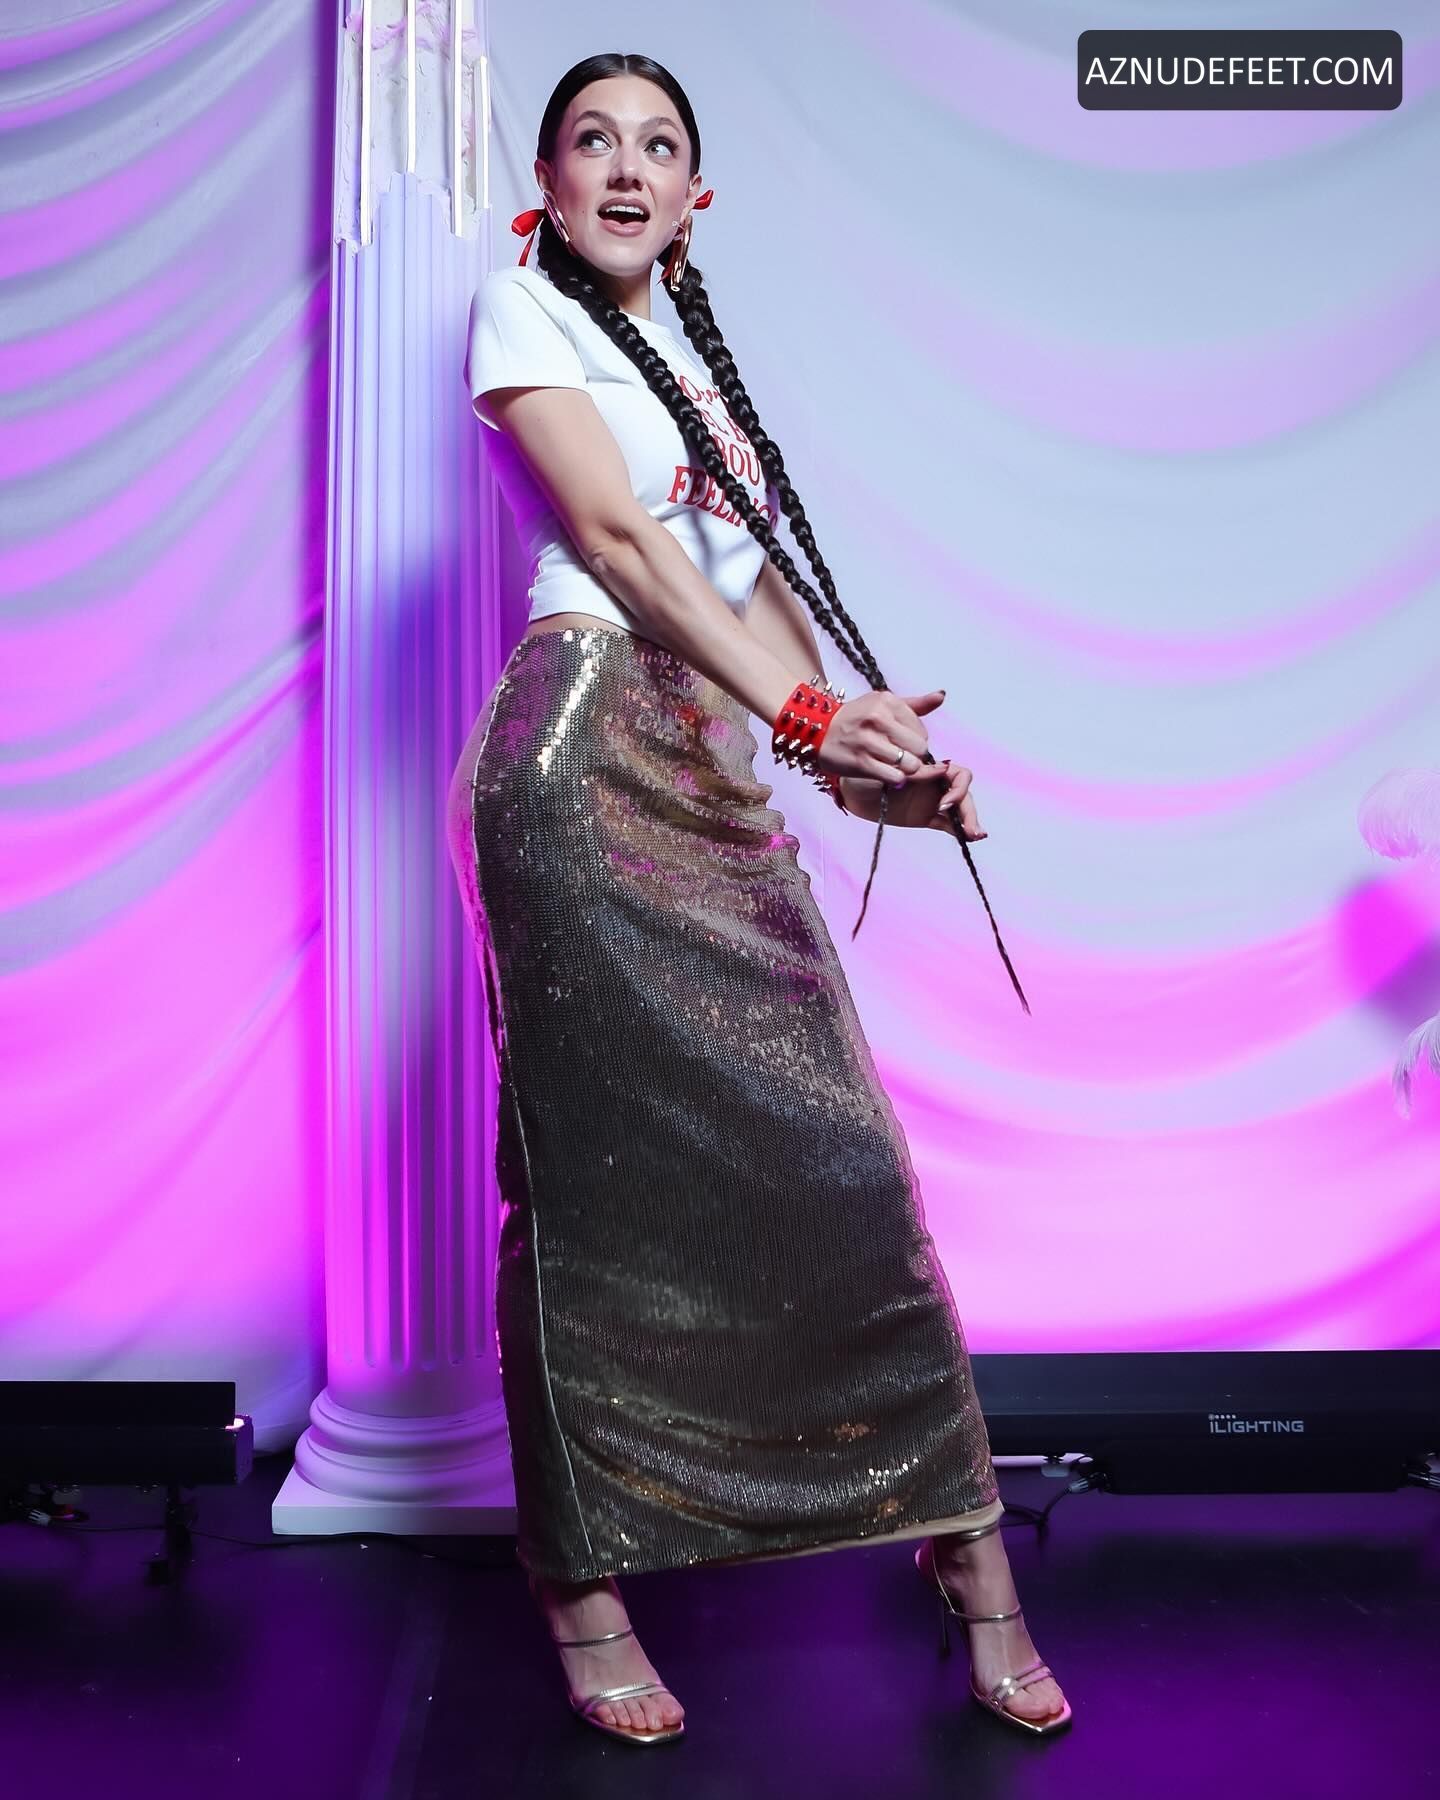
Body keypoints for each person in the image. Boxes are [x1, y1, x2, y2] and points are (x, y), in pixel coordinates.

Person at [445, 51, 1070, 1746]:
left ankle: (960, 1548)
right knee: (589, 1192)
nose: (627, 167)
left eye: (660, 146)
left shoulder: (712, 382)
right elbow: (622, 549)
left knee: (849, 1161)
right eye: (594, 141)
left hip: (715, 773)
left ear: (695, 196)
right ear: (549, 184)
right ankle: (582, 1588)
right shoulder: (523, 312)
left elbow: (763, 627)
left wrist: (878, 772)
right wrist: (801, 714)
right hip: (580, 766)